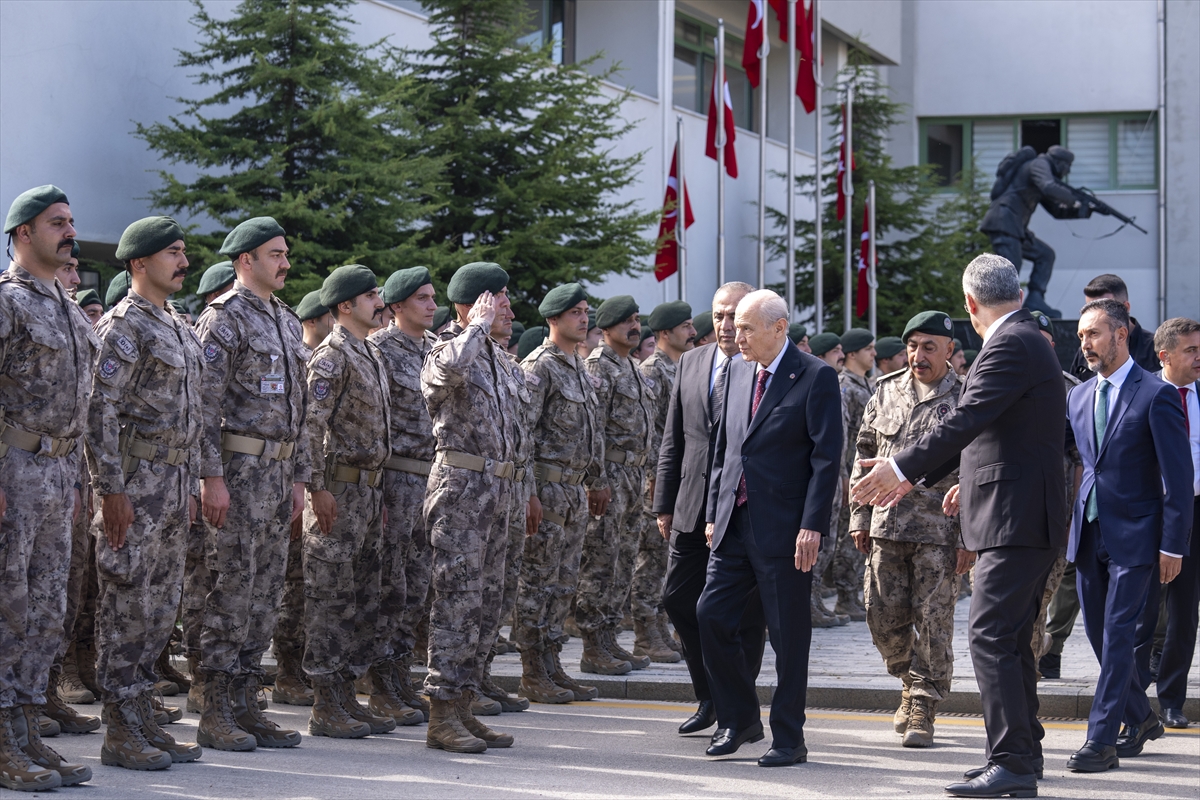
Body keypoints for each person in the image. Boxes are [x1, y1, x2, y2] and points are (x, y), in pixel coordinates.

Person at [853, 254, 1066, 798]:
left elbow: (967, 418)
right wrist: (960, 484)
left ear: (971, 305)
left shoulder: (1011, 342)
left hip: (1014, 519)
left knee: (991, 635)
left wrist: (898, 467)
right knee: (1012, 638)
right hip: (1015, 512)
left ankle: (1013, 762)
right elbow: (999, 434)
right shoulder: (1023, 338)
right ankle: (1019, 751)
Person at [698, 289, 841, 768]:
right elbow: (725, 446)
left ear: (778, 329)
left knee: (787, 636)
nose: (734, 336)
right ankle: (739, 719)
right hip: (733, 524)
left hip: (784, 530)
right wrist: (714, 510)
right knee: (710, 616)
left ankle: (789, 736)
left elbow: (825, 460)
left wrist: (812, 526)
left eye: (745, 328)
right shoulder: (737, 371)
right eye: (734, 326)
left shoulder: (816, 376)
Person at [86, 216, 204, 771]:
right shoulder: (123, 326)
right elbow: (99, 409)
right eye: (171, 253)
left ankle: (140, 715)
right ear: (138, 263)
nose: (182, 261)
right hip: (135, 484)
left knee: (158, 610)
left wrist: (199, 479)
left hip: (173, 484)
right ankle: (119, 728)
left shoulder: (177, 325)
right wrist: (110, 489)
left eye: (183, 252)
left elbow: (197, 413)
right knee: (127, 604)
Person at [193, 217, 309, 753]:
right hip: (237, 475)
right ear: (246, 261)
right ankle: (214, 707)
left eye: (285, 254)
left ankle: (246, 703)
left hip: (277, 475)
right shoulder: (225, 319)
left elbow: (300, 410)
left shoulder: (286, 321)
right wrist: (210, 477)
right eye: (275, 254)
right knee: (232, 589)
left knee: (264, 592)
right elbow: (203, 405)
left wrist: (300, 478)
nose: (285, 263)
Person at [1062, 299, 1192, 772]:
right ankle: (1140, 717)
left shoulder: (1156, 395)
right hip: (1088, 533)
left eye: (1093, 334)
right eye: (1080, 336)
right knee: (1098, 636)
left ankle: (1101, 740)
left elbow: (1179, 480)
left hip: (1138, 539)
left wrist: (1172, 544)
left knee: (1118, 636)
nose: (1085, 344)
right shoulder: (1077, 396)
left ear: (1121, 334)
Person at [0, 185, 97, 792]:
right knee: (8, 608)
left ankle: (28, 731)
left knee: (45, 612)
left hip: (60, 474)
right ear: (22, 235)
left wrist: (82, 479)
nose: (68, 231)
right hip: (14, 468)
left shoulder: (63, 305)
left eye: (70, 221)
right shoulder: (8, 302)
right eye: (55, 223)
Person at [849, 311, 967, 748]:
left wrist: (970, 537)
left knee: (934, 621)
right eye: (913, 345)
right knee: (881, 618)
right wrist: (858, 517)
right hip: (886, 524)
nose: (918, 355)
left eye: (929, 346)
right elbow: (862, 455)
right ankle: (908, 678)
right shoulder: (884, 391)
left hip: (941, 530)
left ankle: (923, 702)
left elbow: (976, 464)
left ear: (950, 351)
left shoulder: (966, 397)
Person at [653, 281, 766, 736]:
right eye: (718, 315)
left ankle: (737, 708)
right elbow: (673, 439)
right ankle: (710, 697)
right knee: (678, 600)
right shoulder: (693, 363)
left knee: (744, 614)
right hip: (692, 504)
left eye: (734, 316)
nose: (724, 325)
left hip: (744, 507)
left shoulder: (763, 367)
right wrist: (664, 503)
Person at [421, 262, 523, 753]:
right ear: (470, 305)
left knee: (487, 605)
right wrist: (475, 327)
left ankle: (465, 702)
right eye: (497, 298)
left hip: (500, 492)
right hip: (461, 489)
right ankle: (441, 714)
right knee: (457, 603)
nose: (507, 307)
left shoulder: (502, 360)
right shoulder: (447, 346)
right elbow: (446, 375)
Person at [302, 265, 398, 739]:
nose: (379, 302)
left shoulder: (369, 353)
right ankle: (325, 702)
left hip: (367, 491)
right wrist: (316, 487)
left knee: (360, 597)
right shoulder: (331, 356)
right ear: (346, 305)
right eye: (372, 296)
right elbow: (311, 425)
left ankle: (345, 694)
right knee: (330, 597)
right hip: (336, 492)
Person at [513, 283, 605, 705]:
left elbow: (592, 432)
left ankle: (553, 663)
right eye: (575, 313)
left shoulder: (578, 366)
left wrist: (595, 479)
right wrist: (529, 492)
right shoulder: (539, 366)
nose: (584, 319)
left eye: (586, 312)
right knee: (537, 582)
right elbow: (522, 434)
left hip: (572, 490)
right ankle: (532, 670)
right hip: (546, 489)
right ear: (553, 320)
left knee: (563, 583)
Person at [365, 269, 438, 723]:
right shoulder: (379, 351)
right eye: (422, 299)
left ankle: (400, 675)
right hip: (395, 480)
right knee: (390, 587)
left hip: (430, 480)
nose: (432, 306)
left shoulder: (435, 351)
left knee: (417, 589)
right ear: (396, 306)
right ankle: (380, 683)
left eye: (433, 298)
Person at [576, 296, 656, 676]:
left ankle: (609, 637)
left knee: (624, 561)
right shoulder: (598, 366)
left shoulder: (635, 368)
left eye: (637, 320)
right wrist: (597, 480)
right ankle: (593, 645)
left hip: (635, 477)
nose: (634, 327)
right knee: (601, 561)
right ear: (606, 329)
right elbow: (594, 430)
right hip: (610, 476)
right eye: (626, 321)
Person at [1136, 317, 1200, 729]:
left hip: (1195, 509)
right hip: (1151, 511)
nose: (1199, 357)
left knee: (1185, 611)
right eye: (1192, 350)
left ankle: (1172, 699)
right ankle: (1134, 699)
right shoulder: (1144, 393)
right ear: (1165, 355)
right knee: (1142, 610)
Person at [267, 291, 330, 709]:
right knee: (289, 584)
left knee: (299, 584)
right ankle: (287, 669)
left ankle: (298, 668)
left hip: (293, 479)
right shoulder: (318, 361)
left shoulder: (306, 358)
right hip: (283, 483)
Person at [631, 301, 694, 664]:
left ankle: (659, 626)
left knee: (665, 559)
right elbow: (654, 432)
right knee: (651, 558)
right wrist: (658, 477)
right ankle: (645, 632)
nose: (692, 332)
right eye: (684, 326)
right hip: (656, 479)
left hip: (679, 478)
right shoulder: (653, 370)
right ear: (665, 334)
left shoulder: (679, 367)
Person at [1025, 311, 1083, 683]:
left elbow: (1081, 459)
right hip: (1006, 515)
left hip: (1054, 516)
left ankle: (1030, 669)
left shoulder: (1072, 390)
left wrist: (1073, 516)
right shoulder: (995, 381)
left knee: (1040, 601)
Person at [980, 144, 1091, 317]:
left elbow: (1055, 210)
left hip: (1016, 228)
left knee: (1045, 255)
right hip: (1004, 221)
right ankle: (1001, 309)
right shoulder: (1039, 164)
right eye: (1067, 166)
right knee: (1010, 268)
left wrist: (1082, 211)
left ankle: (1035, 300)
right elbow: (1049, 187)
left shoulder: (1041, 173)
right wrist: (1075, 197)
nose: (1067, 171)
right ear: (1059, 162)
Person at [834, 328, 875, 622]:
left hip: (867, 471)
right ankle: (845, 596)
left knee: (861, 534)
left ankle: (852, 596)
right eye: (868, 348)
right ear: (852, 354)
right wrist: (845, 473)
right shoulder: (844, 386)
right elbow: (841, 436)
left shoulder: (866, 385)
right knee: (846, 537)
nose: (874, 354)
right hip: (850, 471)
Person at [1067, 275, 1159, 381]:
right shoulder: (1085, 350)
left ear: (1125, 307)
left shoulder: (1155, 348)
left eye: (1106, 307)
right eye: (1089, 308)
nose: (1086, 344)